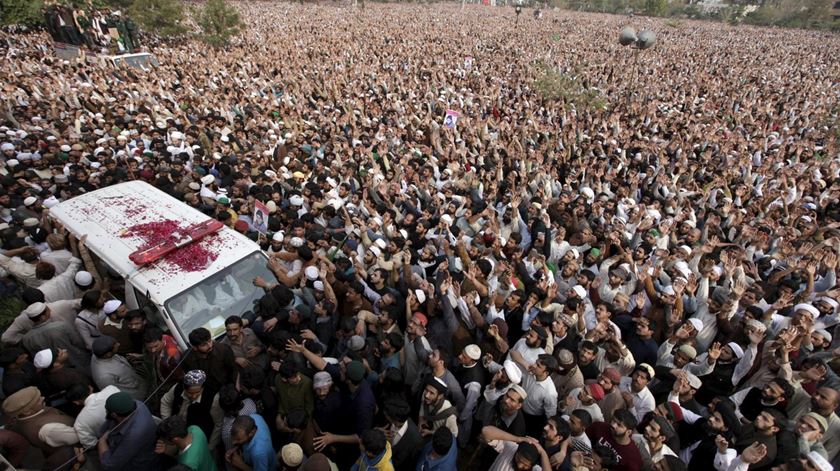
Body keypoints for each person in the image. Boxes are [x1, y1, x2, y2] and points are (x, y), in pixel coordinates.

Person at [98, 391, 159, 470]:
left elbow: (109, 466)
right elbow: (105, 427)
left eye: (107, 411)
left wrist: (102, 441)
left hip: (138, 464)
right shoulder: (135, 404)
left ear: (114, 414)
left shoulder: (135, 434)